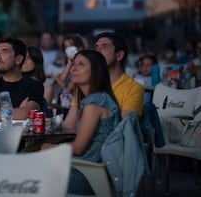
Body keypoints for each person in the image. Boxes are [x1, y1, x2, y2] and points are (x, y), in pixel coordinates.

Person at [42, 50, 120, 195]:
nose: (73, 68)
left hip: (87, 174)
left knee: (26, 168)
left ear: (96, 71)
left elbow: (78, 148)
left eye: (81, 64)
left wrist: (49, 147)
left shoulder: (95, 103)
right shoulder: (99, 98)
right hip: (90, 169)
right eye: (73, 64)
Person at [0, 37, 44, 121]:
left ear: (18, 59)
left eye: (4, 51)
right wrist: (14, 113)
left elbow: (25, 114)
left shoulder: (33, 85)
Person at [93, 32, 144, 118]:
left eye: (104, 47)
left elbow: (123, 127)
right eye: (96, 47)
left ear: (119, 55)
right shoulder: (88, 84)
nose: (97, 52)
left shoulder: (134, 89)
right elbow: (69, 123)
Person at [45, 33, 86, 113]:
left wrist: (57, 78)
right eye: (66, 47)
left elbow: (68, 88)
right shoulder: (70, 65)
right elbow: (62, 79)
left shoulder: (84, 66)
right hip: (65, 106)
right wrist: (69, 63)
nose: (68, 49)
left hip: (76, 108)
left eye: (71, 46)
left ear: (79, 47)